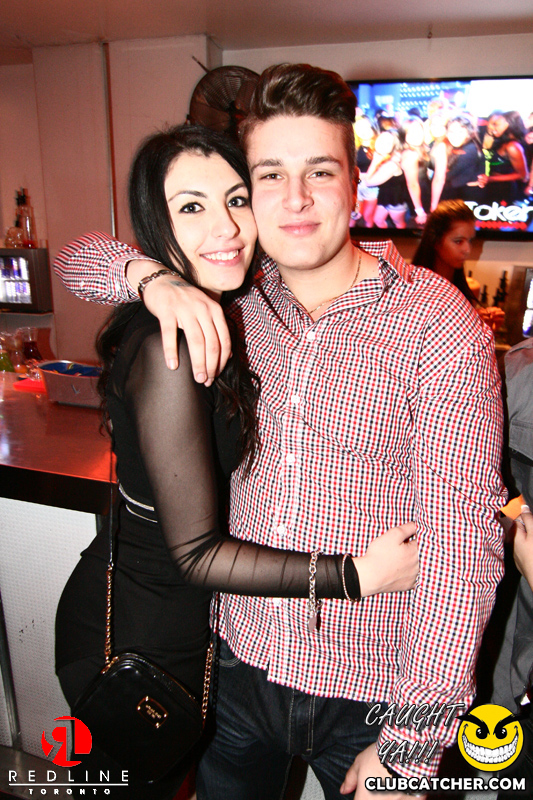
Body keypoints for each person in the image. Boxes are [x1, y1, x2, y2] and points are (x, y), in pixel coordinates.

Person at [54, 63, 505, 800]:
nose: (294, 199)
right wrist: (150, 278)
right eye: (269, 176)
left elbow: (463, 546)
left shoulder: (437, 325)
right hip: (233, 667)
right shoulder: (234, 293)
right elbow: (78, 258)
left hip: (368, 693)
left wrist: (412, 745)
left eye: (319, 171)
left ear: (355, 180)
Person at [412, 199, 505, 332]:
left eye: (470, 240)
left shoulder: (469, 288)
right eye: (458, 241)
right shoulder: (410, 289)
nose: (467, 249)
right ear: (435, 241)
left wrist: (486, 328)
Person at [479, 111, 529, 204]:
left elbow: (523, 175)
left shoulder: (513, 146)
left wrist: (491, 178)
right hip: (493, 187)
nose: (493, 128)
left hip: (505, 190)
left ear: (509, 125)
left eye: (497, 125)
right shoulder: (502, 140)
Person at [363, 129, 408, 229]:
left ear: (393, 147)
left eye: (388, 143)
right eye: (381, 139)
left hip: (396, 200)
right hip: (385, 196)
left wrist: (375, 162)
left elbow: (368, 182)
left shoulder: (391, 164)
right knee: (378, 220)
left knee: (399, 224)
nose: (382, 144)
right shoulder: (384, 157)